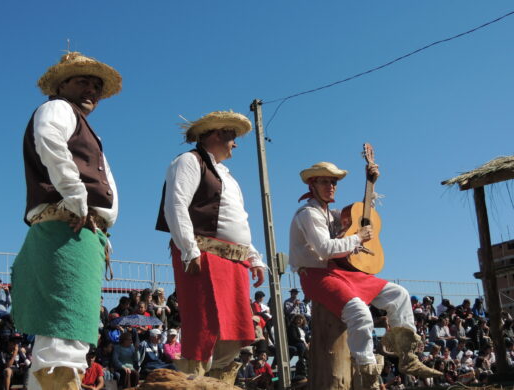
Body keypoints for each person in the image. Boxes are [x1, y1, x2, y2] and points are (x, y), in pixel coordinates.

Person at [10, 51, 121, 389]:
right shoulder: (56, 108)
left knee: (70, 332)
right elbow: (50, 142)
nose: (91, 89)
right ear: (60, 85)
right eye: (82, 81)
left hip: (81, 230)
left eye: (96, 85)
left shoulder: (86, 127)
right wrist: (76, 197)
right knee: (62, 333)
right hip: (65, 226)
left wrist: (103, 228)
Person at [289, 161, 441, 389]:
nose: (331, 186)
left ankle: (408, 358)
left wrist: (371, 184)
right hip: (315, 275)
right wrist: (358, 238)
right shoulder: (308, 213)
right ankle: (367, 373)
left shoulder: (330, 214)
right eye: (324, 181)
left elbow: (360, 212)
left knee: (399, 295)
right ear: (312, 184)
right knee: (360, 314)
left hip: (341, 272)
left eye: (333, 182)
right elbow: (325, 249)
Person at [156, 110, 265, 382]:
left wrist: (254, 257)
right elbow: (176, 205)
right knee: (204, 329)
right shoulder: (189, 162)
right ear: (217, 134)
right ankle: (193, 382)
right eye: (232, 137)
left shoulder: (228, 175)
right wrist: (189, 249)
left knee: (232, 334)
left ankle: (220, 385)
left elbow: (239, 220)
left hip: (235, 263)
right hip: (204, 256)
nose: (235, 144)